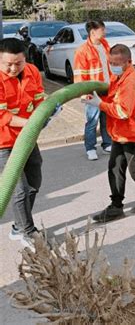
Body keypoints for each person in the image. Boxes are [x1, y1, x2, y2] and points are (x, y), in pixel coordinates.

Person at [85, 44, 135, 223]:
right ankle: (116, 206)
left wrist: (99, 105)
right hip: (122, 133)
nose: (113, 66)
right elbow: (113, 98)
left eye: (117, 63)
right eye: (111, 62)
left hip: (133, 133)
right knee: (115, 168)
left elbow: (122, 111)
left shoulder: (130, 81)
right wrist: (100, 98)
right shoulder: (119, 76)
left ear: (129, 62)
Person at [0, 38, 47, 248]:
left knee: (34, 183)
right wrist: (31, 122)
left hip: (27, 138)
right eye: (7, 64)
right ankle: (28, 231)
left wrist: (46, 112)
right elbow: (2, 115)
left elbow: (38, 99)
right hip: (4, 143)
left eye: (17, 63)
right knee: (18, 189)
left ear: (25, 60)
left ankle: (18, 226)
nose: (12, 68)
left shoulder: (33, 72)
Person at [74, 20, 112, 160]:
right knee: (92, 121)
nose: (105, 32)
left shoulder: (105, 45)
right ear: (93, 32)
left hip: (107, 89)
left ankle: (107, 143)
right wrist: (83, 94)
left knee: (106, 119)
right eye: (102, 30)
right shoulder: (82, 51)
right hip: (92, 91)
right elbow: (79, 74)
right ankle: (90, 148)